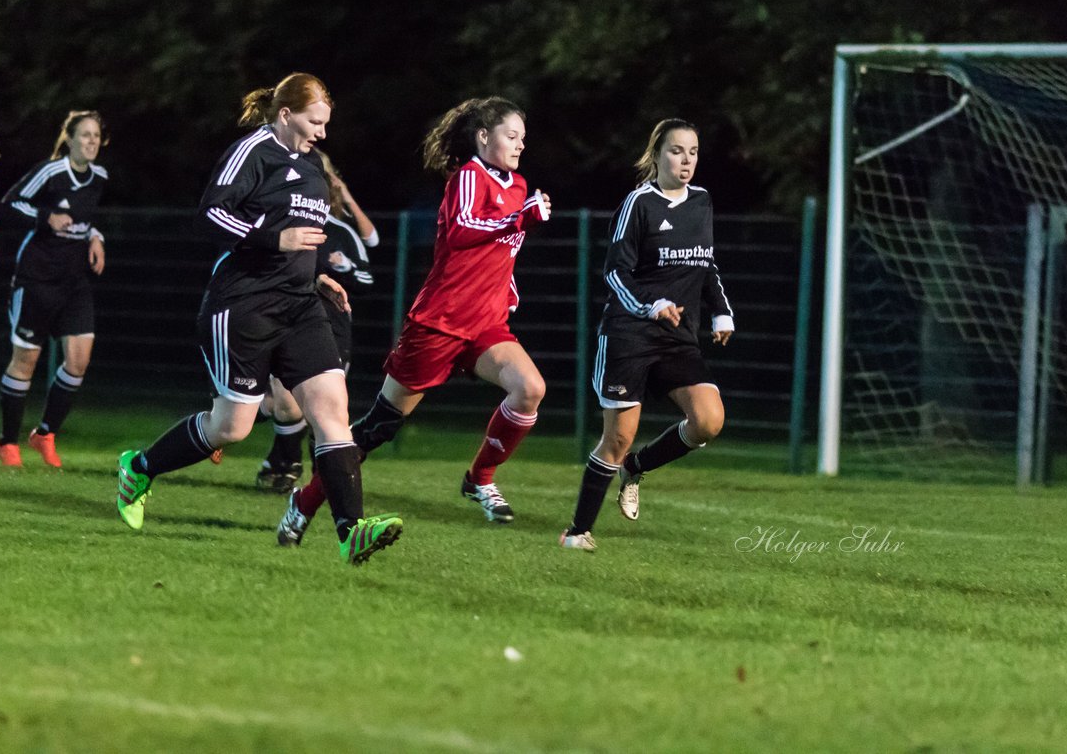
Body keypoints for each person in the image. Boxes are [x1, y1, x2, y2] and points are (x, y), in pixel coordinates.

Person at [112, 72, 402, 566]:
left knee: (333, 412)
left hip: (301, 307)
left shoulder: (312, 167)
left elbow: (306, 236)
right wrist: (276, 240)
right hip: (243, 306)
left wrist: (315, 277)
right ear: (286, 115)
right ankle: (139, 467)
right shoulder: (253, 151)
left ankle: (350, 531)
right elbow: (211, 214)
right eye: (315, 121)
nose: (322, 133)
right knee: (232, 427)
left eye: (326, 123)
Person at [280, 96, 550, 540]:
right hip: (439, 324)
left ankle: (479, 479)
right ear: (484, 137)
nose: (520, 145)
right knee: (378, 428)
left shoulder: (518, 186)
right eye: (511, 136)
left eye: (523, 137)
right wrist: (519, 219)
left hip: (485, 324)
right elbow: (463, 231)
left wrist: (508, 287)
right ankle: (305, 501)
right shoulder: (468, 177)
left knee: (530, 389)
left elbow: (500, 253)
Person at [559, 118, 734, 552]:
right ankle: (577, 532)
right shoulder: (638, 203)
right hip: (631, 333)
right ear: (656, 155)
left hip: (678, 335)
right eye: (677, 151)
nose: (686, 160)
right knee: (617, 437)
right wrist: (650, 305)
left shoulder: (702, 202)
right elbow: (615, 272)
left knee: (709, 420)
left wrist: (721, 312)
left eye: (693, 152)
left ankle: (637, 467)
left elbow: (704, 264)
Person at [257, 149, 377, 495]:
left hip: (334, 330)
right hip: (286, 323)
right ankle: (288, 465)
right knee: (286, 401)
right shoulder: (281, 225)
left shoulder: (340, 232)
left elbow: (367, 277)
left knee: (321, 413)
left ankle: (296, 471)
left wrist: (343, 269)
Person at [0, 111, 109, 469]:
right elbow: (10, 203)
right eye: (84, 135)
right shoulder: (51, 172)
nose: (91, 141)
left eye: (96, 136)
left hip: (74, 282)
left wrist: (96, 237)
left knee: (78, 361)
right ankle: (8, 442)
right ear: (70, 139)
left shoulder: (100, 177)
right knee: (25, 360)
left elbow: (87, 217)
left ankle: (44, 434)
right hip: (37, 279)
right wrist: (46, 218)